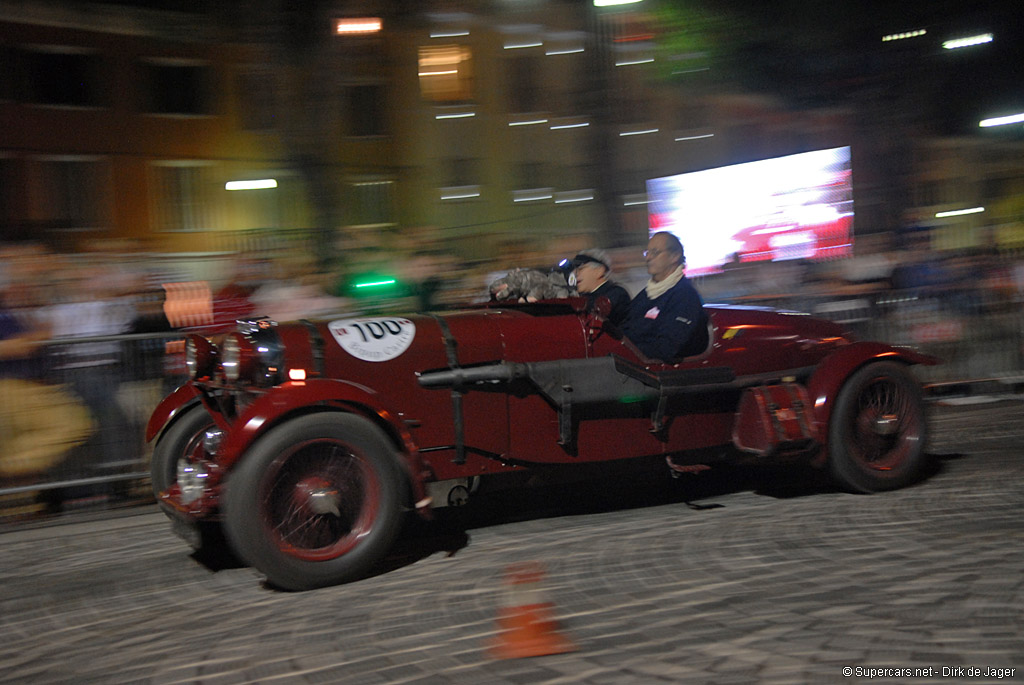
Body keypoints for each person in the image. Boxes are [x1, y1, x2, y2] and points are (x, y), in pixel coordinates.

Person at [620, 232, 708, 362]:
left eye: (654, 252)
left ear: (674, 256)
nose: (648, 258)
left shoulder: (684, 296)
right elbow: (625, 328)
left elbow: (666, 347)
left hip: (660, 373)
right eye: (647, 252)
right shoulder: (647, 293)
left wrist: (623, 351)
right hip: (633, 362)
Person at [569, 248, 631, 325]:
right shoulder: (580, 297)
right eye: (574, 270)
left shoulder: (617, 294)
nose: (575, 274)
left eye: (581, 269)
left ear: (599, 271)